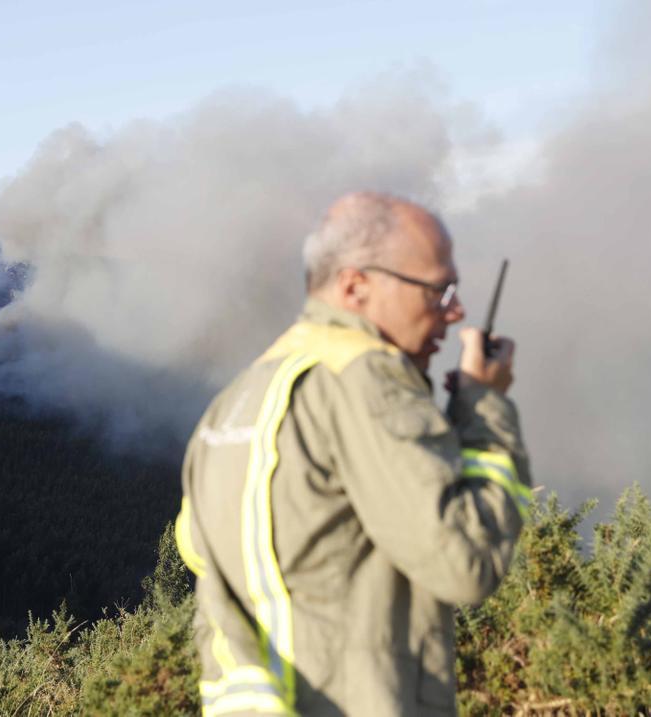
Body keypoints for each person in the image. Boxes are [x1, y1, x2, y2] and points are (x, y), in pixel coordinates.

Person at [174, 192, 532, 716]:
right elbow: (466, 562)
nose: (455, 312)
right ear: (354, 286)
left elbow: (206, 565)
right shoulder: (366, 377)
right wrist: (484, 409)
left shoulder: (237, 400)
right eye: (438, 290)